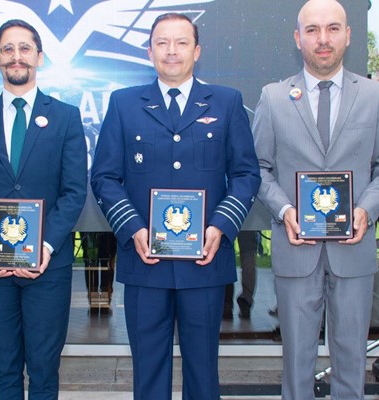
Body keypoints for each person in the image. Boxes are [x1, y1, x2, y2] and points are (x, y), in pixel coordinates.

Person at [90, 13, 260, 400]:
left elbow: (247, 174)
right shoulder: (124, 104)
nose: (171, 51)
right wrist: (134, 229)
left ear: (197, 51)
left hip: (205, 261)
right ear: (149, 52)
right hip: (145, 263)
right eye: (162, 43)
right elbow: (104, 177)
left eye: (181, 42)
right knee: (148, 373)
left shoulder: (227, 102)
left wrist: (221, 226)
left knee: (203, 373)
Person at [252, 0, 379, 398]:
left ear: (348, 36)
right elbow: (258, 168)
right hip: (296, 245)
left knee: (352, 356)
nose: (323, 39)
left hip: (353, 247)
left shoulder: (374, 95)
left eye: (333, 29)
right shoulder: (274, 97)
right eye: (313, 30)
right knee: (296, 358)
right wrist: (285, 211)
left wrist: (366, 210)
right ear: (298, 38)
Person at [0, 19, 87, 400]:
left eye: (25, 48)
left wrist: (46, 246)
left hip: (47, 266)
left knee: (44, 368)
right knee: (4, 365)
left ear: (39, 57)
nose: (16, 56)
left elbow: (74, 192)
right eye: (7, 49)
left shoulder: (65, 117)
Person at [223, 230, 258, 319]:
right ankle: (246, 301)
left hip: (227, 219)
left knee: (225, 257)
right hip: (249, 219)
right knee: (248, 259)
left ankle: (226, 307)